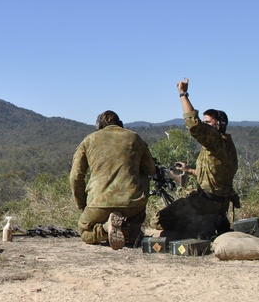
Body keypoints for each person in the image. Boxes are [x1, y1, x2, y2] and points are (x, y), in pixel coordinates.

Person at [157, 78, 239, 240]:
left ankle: (208, 221)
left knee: (162, 218)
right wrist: (189, 170)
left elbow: (194, 126)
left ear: (219, 125)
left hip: (208, 203)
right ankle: (213, 221)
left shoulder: (216, 142)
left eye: (209, 122)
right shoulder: (225, 144)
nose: (205, 125)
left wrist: (183, 94)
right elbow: (215, 174)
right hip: (219, 202)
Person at [70, 110, 156, 249]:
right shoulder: (134, 137)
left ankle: (105, 229)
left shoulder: (89, 140)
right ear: (120, 124)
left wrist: (82, 205)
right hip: (133, 203)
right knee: (142, 174)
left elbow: (76, 177)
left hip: (99, 203)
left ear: (99, 127)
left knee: (85, 231)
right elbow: (151, 170)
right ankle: (131, 228)